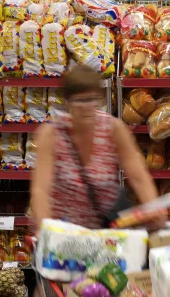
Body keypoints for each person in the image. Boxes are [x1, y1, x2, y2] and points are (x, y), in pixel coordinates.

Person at [30, 65, 161, 230]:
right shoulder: (51, 134)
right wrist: (46, 231)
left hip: (103, 233)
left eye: (92, 99)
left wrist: (154, 208)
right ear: (68, 102)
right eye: (80, 100)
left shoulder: (114, 129)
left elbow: (138, 176)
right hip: (62, 233)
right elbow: (41, 189)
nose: (87, 106)